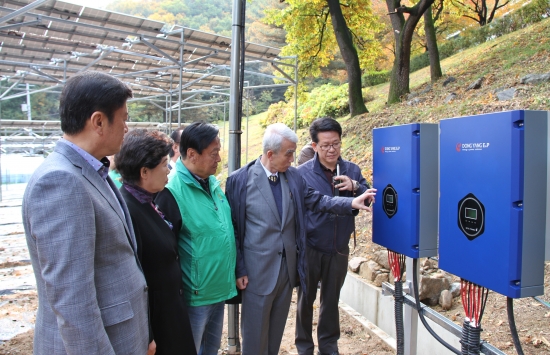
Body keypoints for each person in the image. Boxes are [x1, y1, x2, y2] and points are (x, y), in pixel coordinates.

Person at [22, 71, 154, 355]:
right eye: (123, 118)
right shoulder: (61, 181)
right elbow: (72, 300)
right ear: (98, 121)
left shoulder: (92, 170)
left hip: (120, 335)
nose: (127, 127)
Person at [225, 123, 376, 355]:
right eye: (289, 153)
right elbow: (234, 229)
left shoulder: (292, 177)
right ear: (270, 154)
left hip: (286, 272)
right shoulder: (240, 180)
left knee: (275, 334)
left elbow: (318, 200)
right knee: (255, 339)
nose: (293, 158)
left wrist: (350, 202)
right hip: (257, 274)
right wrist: (239, 268)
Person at [155, 122, 236, 355]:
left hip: (218, 288)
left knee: (210, 349)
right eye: (214, 153)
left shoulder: (211, 182)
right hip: (195, 296)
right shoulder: (172, 191)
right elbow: (165, 251)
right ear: (191, 154)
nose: (219, 158)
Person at [115, 129, 197, 355]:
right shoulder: (128, 212)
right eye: (163, 164)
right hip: (157, 326)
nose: (169, 169)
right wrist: (148, 334)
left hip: (170, 315)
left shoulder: (149, 202)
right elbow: (133, 281)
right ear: (144, 171)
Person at [295, 117, 370, 355]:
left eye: (336, 144)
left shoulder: (351, 170)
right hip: (310, 246)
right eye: (325, 145)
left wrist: (356, 186)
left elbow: (369, 197)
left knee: (331, 300)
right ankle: (304, 346)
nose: (331, 150)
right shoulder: (302, 174)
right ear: (314, 146)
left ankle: (328, 346)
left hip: (339, 247)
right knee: (305, 300)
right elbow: (311, 205)